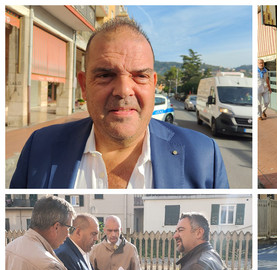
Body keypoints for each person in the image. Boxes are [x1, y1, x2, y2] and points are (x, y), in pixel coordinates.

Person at [10, 18, 229, 189]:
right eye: (105, 75)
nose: (124, 90)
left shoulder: (203, 156)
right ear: (84, 85)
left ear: (153, 85)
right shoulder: (40, 147)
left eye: (139, 76)